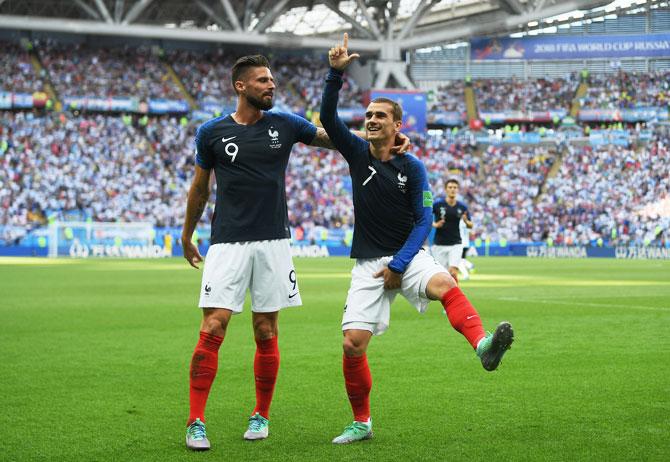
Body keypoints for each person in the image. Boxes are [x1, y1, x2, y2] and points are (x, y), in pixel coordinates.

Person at [181, 54, 409, 450]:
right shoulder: (211, 132)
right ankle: (196, 420)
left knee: (266, 330)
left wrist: (384, 142)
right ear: (241, 86)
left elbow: (334, 138)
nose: (271, 86)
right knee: (214, 324)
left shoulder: (285, 124)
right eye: (263, 81)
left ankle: (261, 414)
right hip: (226, 242)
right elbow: (200, 188)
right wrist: (187, 234)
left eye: (272, 80)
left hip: (273, 241)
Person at [320, 33, 514, 445]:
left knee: (446, 283)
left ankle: (483, 346)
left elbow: (425, 220)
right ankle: (362, 422)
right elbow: (328, 117)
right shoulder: (356, 154)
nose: (370, 120)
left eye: (379, 116)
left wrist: (400, 264)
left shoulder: (414, 167)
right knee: (352, 345)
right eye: (368, 114)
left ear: (397, 125)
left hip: (408, 255)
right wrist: (334, 76)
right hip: (368, 264)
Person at [432, 179, 473, 281]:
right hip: (439, 244)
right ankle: (445, 295)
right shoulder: (437, 205)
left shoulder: (462, 207)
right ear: (446, 189)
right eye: (450, 187)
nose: (452, 190)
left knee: (453, 271)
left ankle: (455, 296)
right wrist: (435, 224)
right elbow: (426, 217)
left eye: (455, 187)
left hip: (456, 244)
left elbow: (470, 225)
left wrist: (466, 221)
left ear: (458, 190)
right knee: (442, 276)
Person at [458, 215, 476, 280]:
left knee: (458, 261)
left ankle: (466, 275)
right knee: (462, 259)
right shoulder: (467, 223)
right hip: (466, 244)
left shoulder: (458, 222)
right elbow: (471, 233)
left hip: (460, 244)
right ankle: (470, 265)